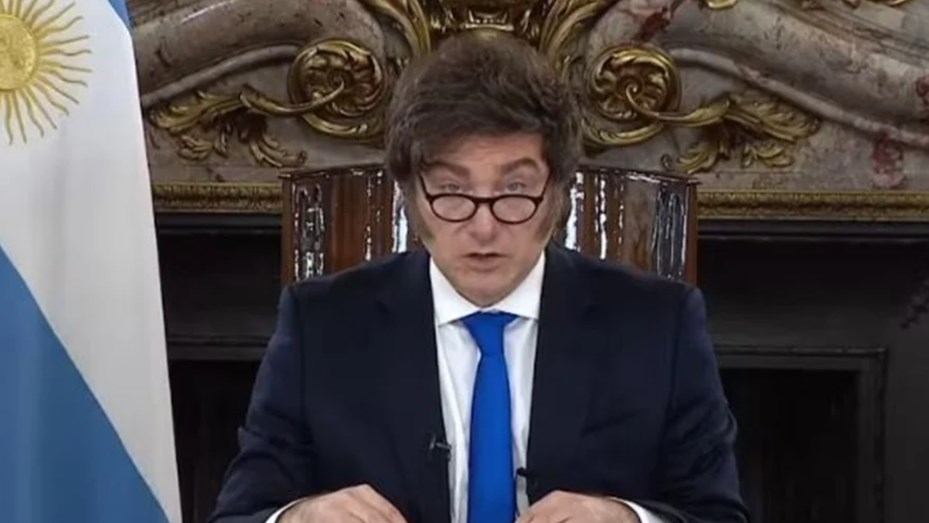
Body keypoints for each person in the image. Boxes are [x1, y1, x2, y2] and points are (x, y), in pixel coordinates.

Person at [209, 32, 748, 523]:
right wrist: (300, 518)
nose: (483, 227)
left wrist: (629, 520)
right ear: (410, 195)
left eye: (514, 191)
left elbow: (719, 515)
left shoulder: (659, 325)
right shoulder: (321, 325)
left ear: (557, 194)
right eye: (452, 191)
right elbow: (239, 515)